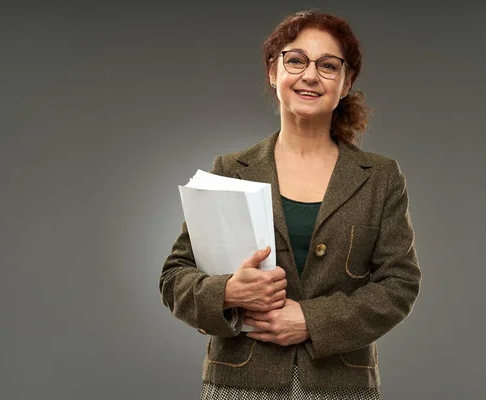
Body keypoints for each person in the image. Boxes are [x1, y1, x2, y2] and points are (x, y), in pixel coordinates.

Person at [159, 9, 421, 399]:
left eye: (328, 65)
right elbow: (175, 278)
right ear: (273, 71)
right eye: (296, 60)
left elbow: (399, 285)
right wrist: (229, 291)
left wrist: (312, 321)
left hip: (341, 387)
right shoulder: (231, 170)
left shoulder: (380, 178)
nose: (310, 75)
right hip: (239, 385)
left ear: (346, 83)